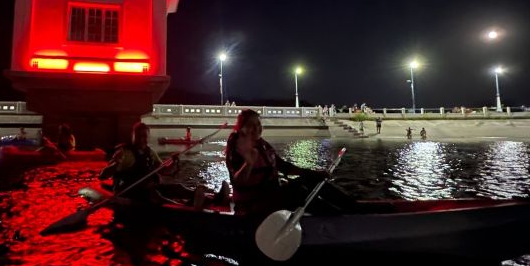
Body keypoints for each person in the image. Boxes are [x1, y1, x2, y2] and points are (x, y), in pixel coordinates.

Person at [225, 109, 351, 216]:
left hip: (272, 194)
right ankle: (336, 216)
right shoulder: (237, 149)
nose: (257, 128)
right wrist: (248, 163)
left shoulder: (262, 145)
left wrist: (313, 173)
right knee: (298, 191)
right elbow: (238, 183)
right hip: (253, 204)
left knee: (314, 180)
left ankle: (351, 206)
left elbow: (284, 166)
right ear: (242, 128)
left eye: (258, 124)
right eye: (251, 125)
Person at [99, 122, 228, 208]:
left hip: (150, 188)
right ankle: (185, 207)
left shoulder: (150, 152)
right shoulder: (124, 153)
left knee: (178, 187)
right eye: (139, 136)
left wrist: (174, 161)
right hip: (132, 192)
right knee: (155, 196)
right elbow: (102, 176)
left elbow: (165, 171)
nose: (142, 139)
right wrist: (115, 165)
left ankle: (214, 198)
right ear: (133, 136)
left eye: (144, 136)